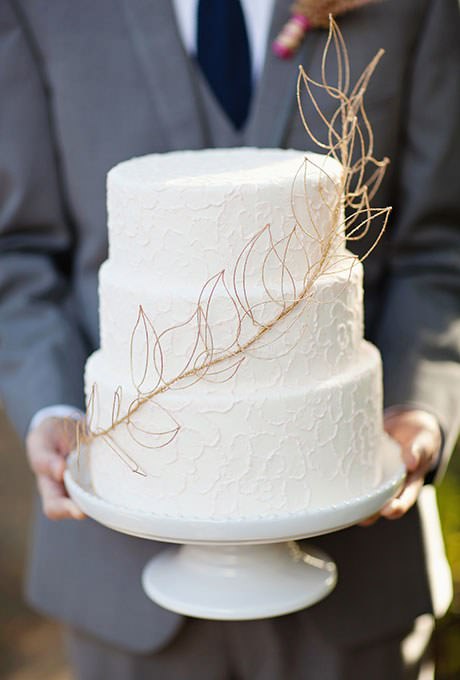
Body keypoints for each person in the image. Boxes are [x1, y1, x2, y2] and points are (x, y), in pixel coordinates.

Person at [1, 1, 459, 678]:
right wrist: (51, 406)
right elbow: (19, 250)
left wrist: (421, 409)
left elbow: (440, 244)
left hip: (358, 588)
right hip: (121, 592)